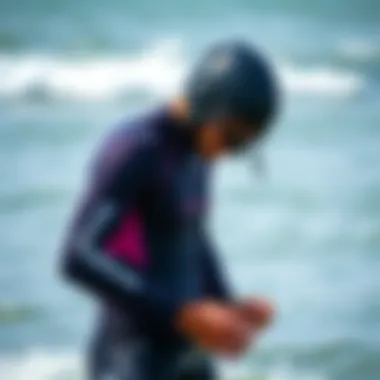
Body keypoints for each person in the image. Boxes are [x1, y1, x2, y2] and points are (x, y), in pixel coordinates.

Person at [60, 40, 279, 380]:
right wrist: (183, 314)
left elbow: (192, 237)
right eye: (231, 139)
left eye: (241, 146)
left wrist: (227, 306)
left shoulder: (198, 152)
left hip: (186, 357)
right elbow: (79, 255)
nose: (228, 153)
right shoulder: (135, 149)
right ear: (209, 105)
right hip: (130, 360)